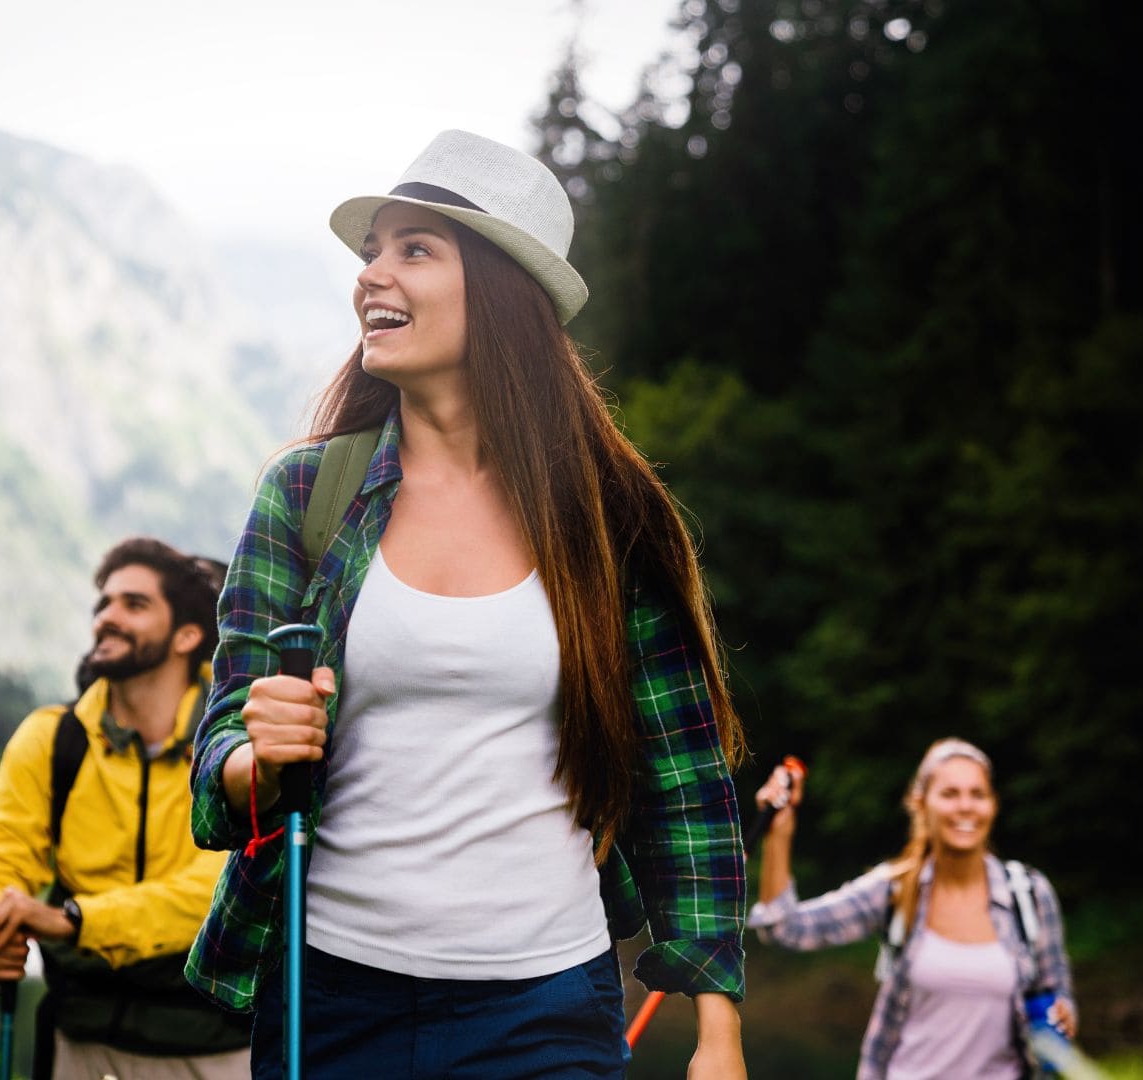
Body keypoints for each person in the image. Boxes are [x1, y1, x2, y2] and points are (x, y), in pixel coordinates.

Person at [184, 129, 750, 1079]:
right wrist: (254, 756)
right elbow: (219, 763)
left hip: (546, 1006)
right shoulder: (305, 497)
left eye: (414, 250)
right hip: (329, 994)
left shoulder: (609, 522)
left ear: (498, 293)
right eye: (372, 252)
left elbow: (682, 782)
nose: (372, 276)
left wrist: (719, 1031)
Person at [0, 538, 250, 1080]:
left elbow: (216, 891)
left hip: (214, 1047)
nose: (107, 618)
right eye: (104, 604)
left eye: (133, 605)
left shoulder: (233, 747)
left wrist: (72, 920)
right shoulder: (51, 739)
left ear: (188, 635)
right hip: (80, 1040)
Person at [747, 738, 1078, 1080]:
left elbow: (1059, 994)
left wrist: (1062, 1015)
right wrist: (780, 833)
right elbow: (783, 927)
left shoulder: (1028, 894)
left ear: (993, 805)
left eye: (977, 794)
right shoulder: (893, 890)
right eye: (949, 794)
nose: (965, 806)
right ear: (921, 804)